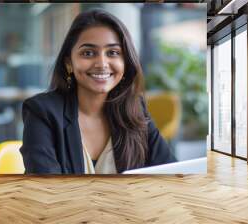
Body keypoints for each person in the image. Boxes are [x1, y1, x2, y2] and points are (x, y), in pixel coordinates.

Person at [20, 9, 176, 174]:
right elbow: (46, 189)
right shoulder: (42, 111)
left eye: (113, 53)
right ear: (69, 63)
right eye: (88, 53)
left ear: (125, 62)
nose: (102, 63)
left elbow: (171, 172)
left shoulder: (135, 109)